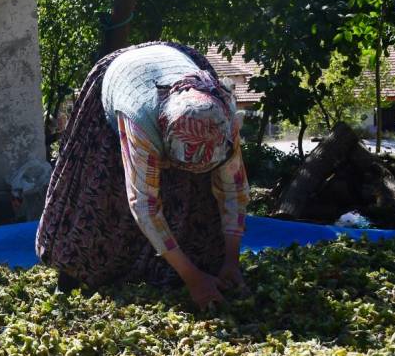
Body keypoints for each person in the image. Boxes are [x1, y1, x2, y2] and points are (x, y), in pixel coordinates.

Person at [36, 41, 250, 310]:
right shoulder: (140, 120)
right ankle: (71, 278)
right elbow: (144, 205)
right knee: (98, 196)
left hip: (174, 63)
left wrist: (232, 259)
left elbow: (234, 190)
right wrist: (193, 280)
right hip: (124, 80)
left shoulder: (222, 123)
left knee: (197, 203)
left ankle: (197, 272)